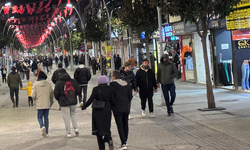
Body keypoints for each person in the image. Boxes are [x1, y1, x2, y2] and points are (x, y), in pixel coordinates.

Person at [81, 76, 115, 150]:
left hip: (97, 111)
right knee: (106, 126)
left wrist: (84, 106)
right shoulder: (110, 89)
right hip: (107, 110)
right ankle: (109, 139)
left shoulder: (96, 89)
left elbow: (91, 99)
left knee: (98, 129)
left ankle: (101, 148)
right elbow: (113, 100)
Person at [54, 69, 81, 137]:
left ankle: (68, 132)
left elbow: (56, 94)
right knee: (73, 114)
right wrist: (75, 96)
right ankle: (76, 129)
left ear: (60, 74)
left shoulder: (58, 83)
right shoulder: (73, 81)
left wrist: (59, 100)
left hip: (63, 102)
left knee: (66, 117)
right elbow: (78, 91)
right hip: (73, 100)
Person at [110, 71, 132, 150]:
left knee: (120, 125)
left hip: (117, 108)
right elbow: (130, 96)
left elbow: (111, 97)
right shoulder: (127, 84)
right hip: (126, 106)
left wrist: (113, 105)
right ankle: (125, 140)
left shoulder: (112, 85)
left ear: (114, 77)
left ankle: (123, 143)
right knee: (125, 123)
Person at [31, 71, 54, 137]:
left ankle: (42, 126)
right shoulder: (48, 84)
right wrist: (51, 101)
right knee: (46, 117)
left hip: (39, 103)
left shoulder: (36, 84)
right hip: (47, 103)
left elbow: (33, 95)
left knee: (39, 117)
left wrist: (35, 99)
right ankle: (46, 132)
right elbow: (51, 94)